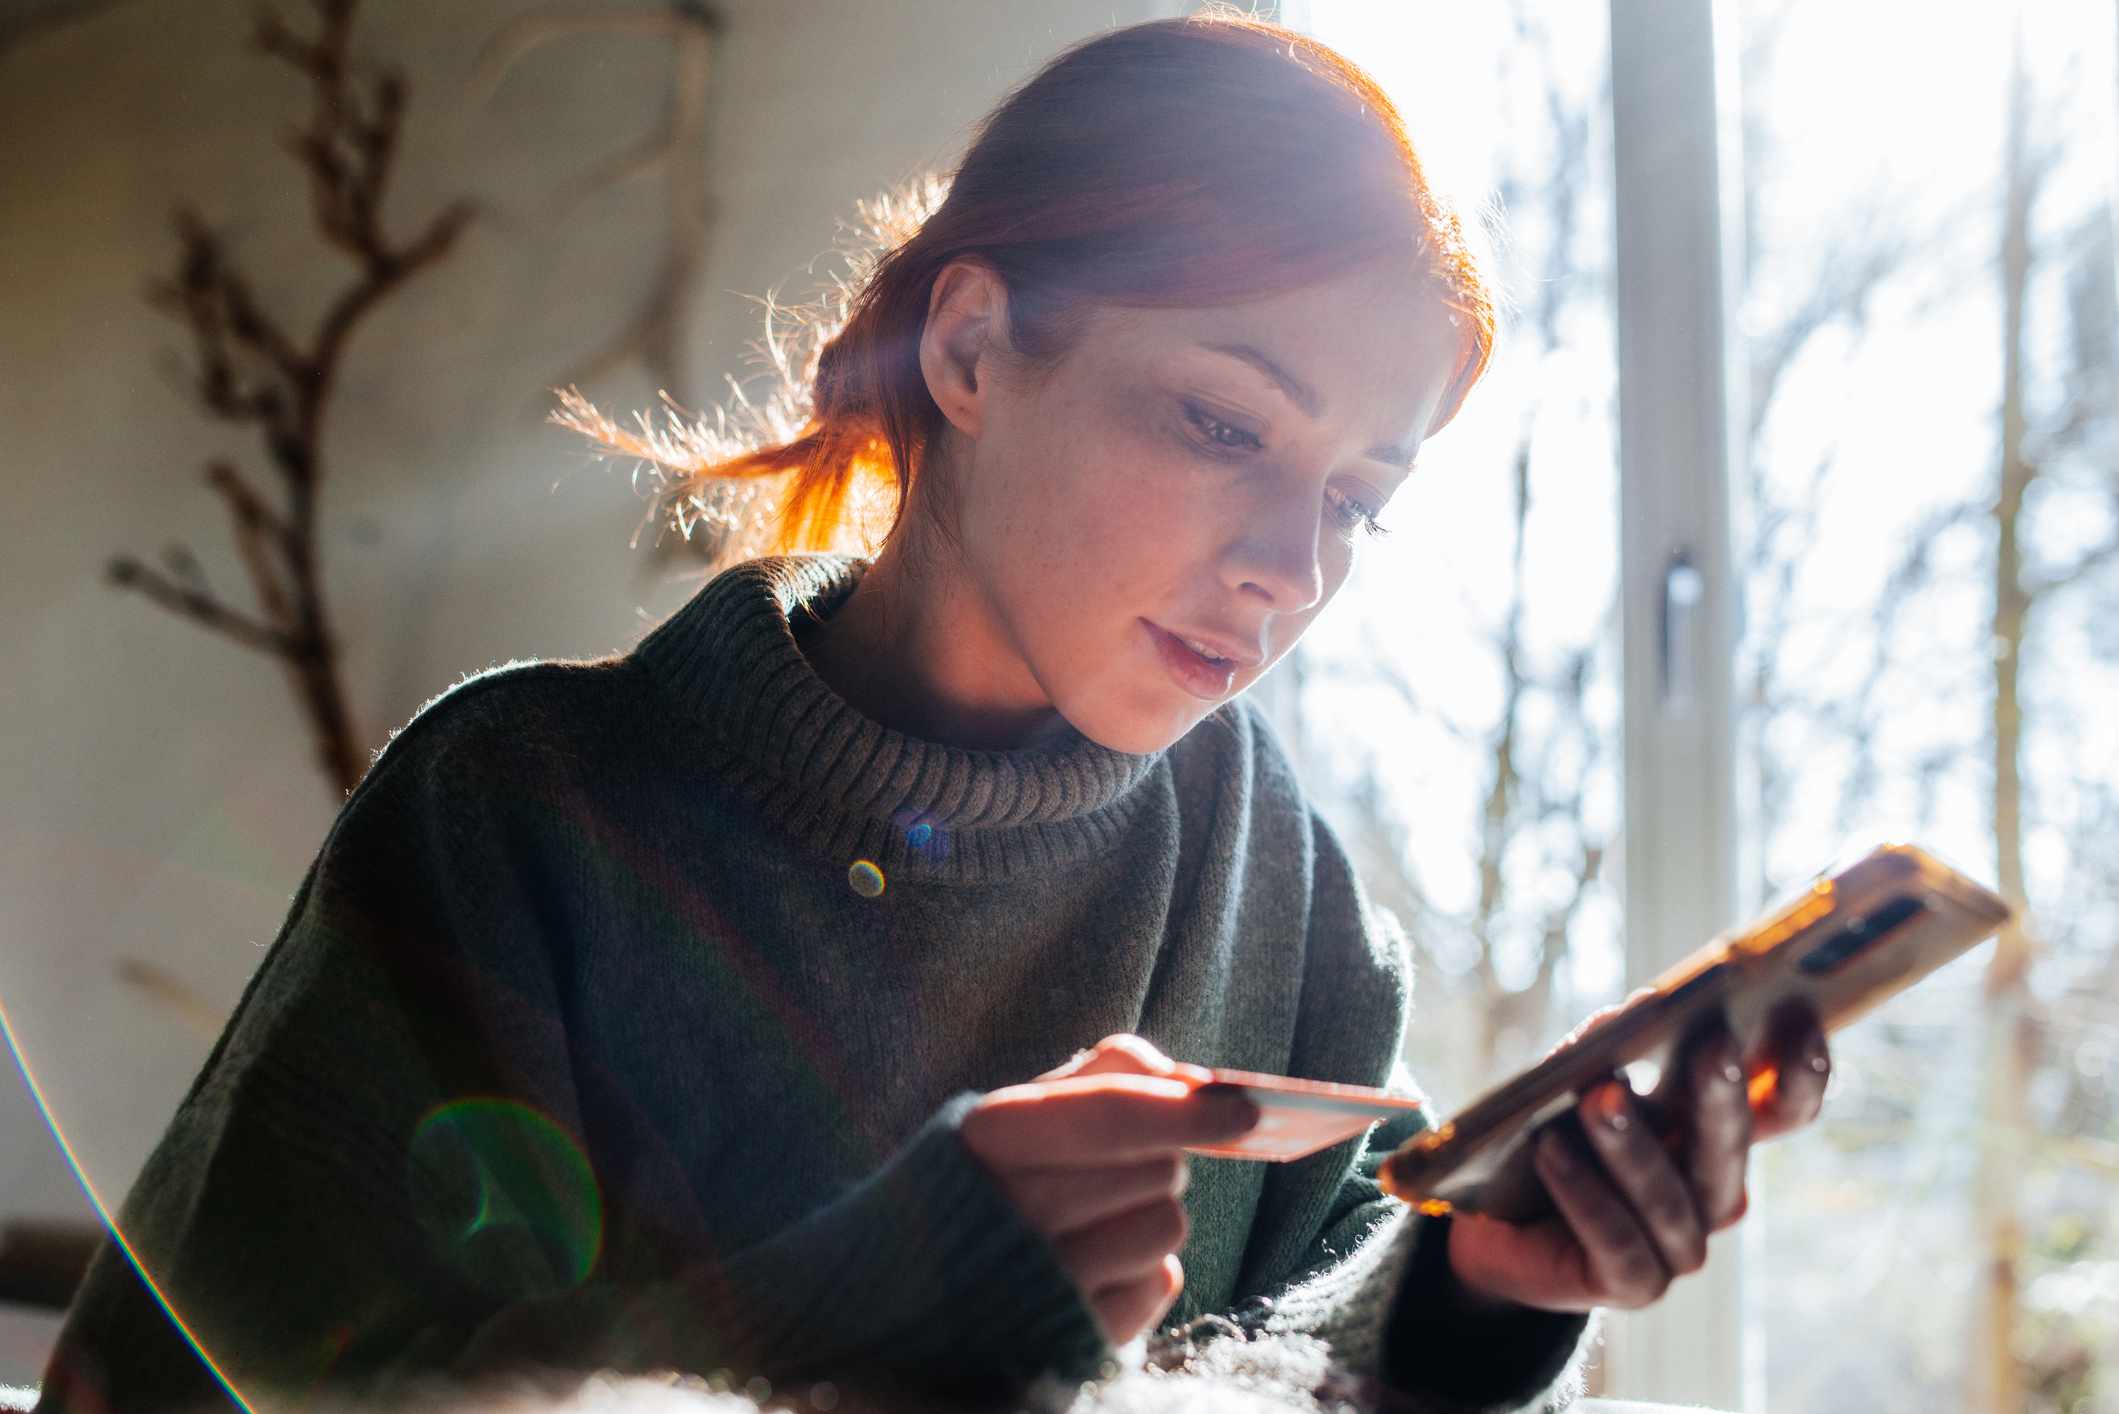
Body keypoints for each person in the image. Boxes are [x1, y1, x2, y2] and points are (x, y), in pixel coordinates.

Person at [36, 9, 1830, 1414]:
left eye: (1359, 493)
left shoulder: (1277, 874)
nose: (1296, 561)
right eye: (1226, 425)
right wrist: (892, 1305)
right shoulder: (519, 811)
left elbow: (1308, 1365)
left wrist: (1475, 1287)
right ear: (970, 350)